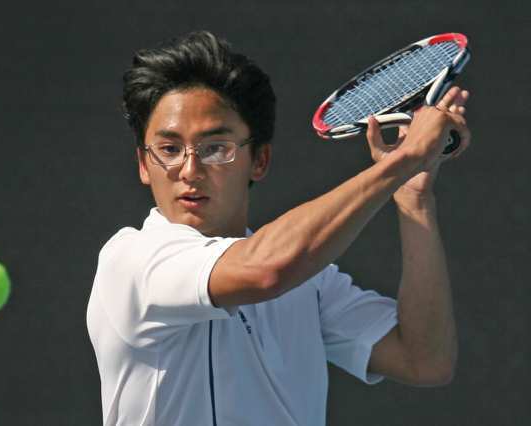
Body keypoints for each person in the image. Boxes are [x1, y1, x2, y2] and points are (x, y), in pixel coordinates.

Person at [86, 30, 471, 425]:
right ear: (143, 164)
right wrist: (402, 160)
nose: (189, 170)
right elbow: (266, 269)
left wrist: (412, 200)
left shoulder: (309, 282)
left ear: (260, 161)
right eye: (168, 149)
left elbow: (425, 361)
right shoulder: (130, 262)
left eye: (215, 148)